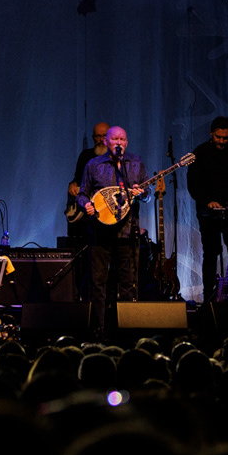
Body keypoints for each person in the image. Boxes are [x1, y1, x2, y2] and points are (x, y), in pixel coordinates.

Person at [75, 126, 147, 336]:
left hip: (127, 231)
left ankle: (126, 329)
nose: (119, 143)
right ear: (106, 142)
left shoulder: (135, 163)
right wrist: (86, 204)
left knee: (128, 283)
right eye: (115, 139)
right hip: (100, 231)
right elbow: (82, 194)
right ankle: (98, 330)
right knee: (98, 283)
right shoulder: (94, 164)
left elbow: (147, 194)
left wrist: (141, 193)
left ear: (127, 142)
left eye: (123, 139)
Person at [186, 116, 228, 301]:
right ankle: (208, 296)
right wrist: (208, 201)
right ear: (211, 133)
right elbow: (193, 184)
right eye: (218, 137)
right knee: (211, 252)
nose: (222, 141)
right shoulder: (200, 152)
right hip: (208, 213)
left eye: (225, 138)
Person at [66, 122, 110, 227]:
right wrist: (72, 184)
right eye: (97, 136)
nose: (101, 140)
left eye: (104, 136)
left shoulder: (116, 158)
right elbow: (77, 178)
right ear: (93, 138)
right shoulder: (86, 155)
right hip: (87, 209)